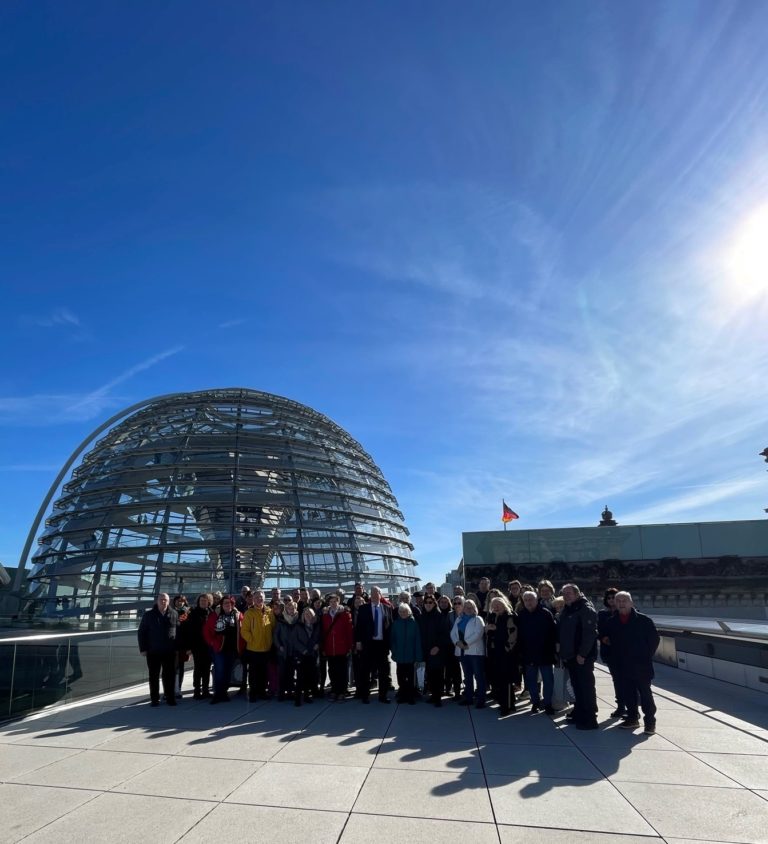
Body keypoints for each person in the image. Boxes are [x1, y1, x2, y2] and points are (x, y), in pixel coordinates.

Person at [606, 591, 661, 734]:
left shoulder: (644, 620)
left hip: (641, 665)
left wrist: (645, 655)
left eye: (624, 601)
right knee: (628, 693)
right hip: (622, 665)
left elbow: (654, 640)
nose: (621, 604)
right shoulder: (612, 622)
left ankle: (650, 722)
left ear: (631, 603)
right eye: (618, 601)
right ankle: (632, 718)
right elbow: (608, 641)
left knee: (645, 694)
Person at [558, 583, 599, 729]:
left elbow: (590, 634)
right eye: (564, 593)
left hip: (581, 657)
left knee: (586, 687)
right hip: (570, 656)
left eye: (569, 593)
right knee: (577, 687)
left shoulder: (585, 608)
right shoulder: (568, 609)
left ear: (577, 594)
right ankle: (580, 712)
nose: (566, 595)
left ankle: (590, 718)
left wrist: (582, 654)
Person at [517, 590, 557, 715]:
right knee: (531, 681)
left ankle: (548, 703)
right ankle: (535, 702)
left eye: (531, 599)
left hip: (545, 653)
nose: (528, 602)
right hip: (529, 654)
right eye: (526, 600)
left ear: (536, 600)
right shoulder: (521, 615)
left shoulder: (545, 613)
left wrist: (553, 651)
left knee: (548, 680)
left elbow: (553, 633)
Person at [137, 593, 179, 707]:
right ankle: (154, 699)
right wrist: (143, 649)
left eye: (165, 600)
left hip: (170, 651)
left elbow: (178, 632)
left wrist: (178, 648)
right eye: (161, 600)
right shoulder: (148, 615)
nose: (163, 602)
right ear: (157, 601)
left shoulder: (174, 614)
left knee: (170, 675)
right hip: (153, 651)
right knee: (153, 676)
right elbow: (141, 632)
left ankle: (170, 697)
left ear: (168, 601)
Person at [354, 586, 393, 703]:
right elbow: (358, 627)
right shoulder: (363, 608)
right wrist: (358, 641)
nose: (375, 595)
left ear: (381, 595)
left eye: (378, 593)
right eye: (373, 593)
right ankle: (365, 696)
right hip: (368, 644)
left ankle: (383, 696)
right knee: (365, 671)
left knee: (384, 672)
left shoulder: (387, 608)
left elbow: (390, 626)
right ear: (370, 595)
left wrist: (390, 644)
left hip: (382, 645)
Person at [203, 594, 242, 704]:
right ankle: (217, 694)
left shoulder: (238, 615)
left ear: (233, 604)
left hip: (232, 649)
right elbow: (206, 631)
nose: (227, 605)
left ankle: (223, 692)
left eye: (229, 603)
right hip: (219, 648)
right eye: (225, 603)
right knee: (219, 670)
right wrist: (212, 642)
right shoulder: (215, 615)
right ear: (222, 604)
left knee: (228, 671)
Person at [485, 596, 520, 715]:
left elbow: (513, 634)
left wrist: (507, 648)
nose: (495, 607)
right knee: (499, 680)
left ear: (504, 605)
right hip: (494, 653)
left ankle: (508, 706)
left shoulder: (510, 616)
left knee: (507, 681)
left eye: (498, 604)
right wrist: (488, 629)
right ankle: (505, 703)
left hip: (506, 654)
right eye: (493, 605)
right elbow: (488, 634)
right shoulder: (492, 616)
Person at [417, 590, 452, 707]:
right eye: (426, 602)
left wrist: (437, 646)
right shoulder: (422, 617)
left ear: (434, 603)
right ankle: (433, 695)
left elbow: (445, 634)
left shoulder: (439, 616)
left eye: (430, 602)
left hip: (437, 651)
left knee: (438, 675)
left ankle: (438, 698)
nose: (428, 604)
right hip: (426, 651)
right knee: (430, 674)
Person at [450, 598, 486, 708]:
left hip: (475, 653)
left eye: (471, 607)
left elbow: (478, 633)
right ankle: (469, 698)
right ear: (463, 608)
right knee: (467, 676)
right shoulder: (459, 619)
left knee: (479, 676)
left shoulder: (478, 619)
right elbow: (453, 633)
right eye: (466, 607)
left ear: (475, 608)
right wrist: (457, 642)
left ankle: (481, 700)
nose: (469, 609)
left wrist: (465, 643)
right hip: (462, 652)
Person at [240, 590, 274, 701]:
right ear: (253, 599)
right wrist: (252, 640)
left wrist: (271, 641)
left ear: (264, 598)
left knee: (264, 673)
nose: (259, 599)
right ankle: (253, 693)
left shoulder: (269, 611)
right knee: (253, 673)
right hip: (253, 649)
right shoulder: (249, 613)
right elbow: (244, 631)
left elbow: (273, 628)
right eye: (257, 597)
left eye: (261, 597)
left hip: (266, 648)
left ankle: (262, 692)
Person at [597, 587, 625, 717]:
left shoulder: (626, 612)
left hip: (625, 652)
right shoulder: (602, 614)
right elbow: (598, 630)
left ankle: (632, 707)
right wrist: (603, 638)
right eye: (609, 598)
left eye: (614, 597)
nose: (611, 600)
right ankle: (620, 705)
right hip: (609, 651)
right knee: (617, 679)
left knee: (628, 679)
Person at [321, 594, 354, 700]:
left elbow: (349, 631)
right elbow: (323, 633)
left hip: (342, 647)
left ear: (338, 602)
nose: (333, 604)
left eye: (335, 601)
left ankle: (342, 691)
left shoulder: (345, 614)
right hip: (330, 648)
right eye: (331, 602)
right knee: (332, 670)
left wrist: (350, 646)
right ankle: (334, 690)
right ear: (328, 603)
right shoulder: (325, 615)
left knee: (342, 671)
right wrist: (324, 648)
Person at [390, 603, 423, 704]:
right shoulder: (395, 624)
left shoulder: (414, 624)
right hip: (399, 656)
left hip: (411, 656)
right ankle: (403, 695)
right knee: (400, 677)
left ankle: (410, 696)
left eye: (405, 611)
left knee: (411, 678)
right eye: (401, 612)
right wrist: (394, 652)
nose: (403, 613)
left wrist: (418, 657)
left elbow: (418, 641)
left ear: (409, 612)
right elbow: (392, 640)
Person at [289, 607, 320, 706]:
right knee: (300, 677)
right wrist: (303, 650)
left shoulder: (316, 626)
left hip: (312, 655)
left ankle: (307, 696)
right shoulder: (298, 626)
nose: (308, 616)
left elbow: (320, 637)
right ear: (303, 616)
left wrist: (318, 644)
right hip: (301, 655)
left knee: (309, 677)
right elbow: (294, 640)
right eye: (306, 614)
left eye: (310, 614)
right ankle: (298, 699)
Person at [187, 593, 213, 698]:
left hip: (208, 645)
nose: (203, 602)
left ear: (208, 602)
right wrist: (189, 647)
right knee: (198, 668)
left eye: (205, 600)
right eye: (201, 600)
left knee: (207, 668)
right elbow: (189, 631)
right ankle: (197, 690)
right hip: (197, 646)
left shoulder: (211, 613)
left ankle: (205, 690)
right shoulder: (193, 612)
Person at [274, 596, 300, 700]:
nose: (291, 610)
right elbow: (275, 635)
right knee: (282, 673)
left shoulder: (298, 620)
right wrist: (279, 646)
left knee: (291, 672)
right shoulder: (281, 621)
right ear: (286, 609)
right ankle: (281, 692)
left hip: (294, 651)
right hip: (283, 651)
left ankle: (290, 691)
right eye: (289, 608)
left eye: (293, 608)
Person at [440, 594, 462, 700]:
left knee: (460, 669)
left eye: (459, 603)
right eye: (455, 603)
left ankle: (459, 690)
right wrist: (454, 640)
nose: (457, 605)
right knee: (452, 668)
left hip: (465, 645)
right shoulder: (450, 615)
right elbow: (446, 629)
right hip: (451, 645)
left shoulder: (466, 613)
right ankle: (451, 689)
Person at [172, 594, 191, 698]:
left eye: (182, 601)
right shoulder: (170, 612)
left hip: (183, 646)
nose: (180, 602)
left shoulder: (187, 613)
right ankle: (170, 689)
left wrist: (189, 647)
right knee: (170, 668)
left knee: (180, 668)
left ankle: (178, 688)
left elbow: (189, 631)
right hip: (172, 645)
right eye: (178, 601)